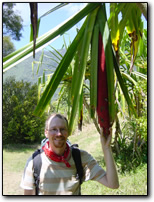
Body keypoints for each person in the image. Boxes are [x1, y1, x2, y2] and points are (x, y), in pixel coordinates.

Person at [20, 113, 119, 195]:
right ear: (46, 133)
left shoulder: (79, 158)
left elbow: (113, 184)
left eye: (62, 129)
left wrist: (106, 148)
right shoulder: (35, 162)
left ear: (68, 132)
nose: (59, 134)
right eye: (54, 129)